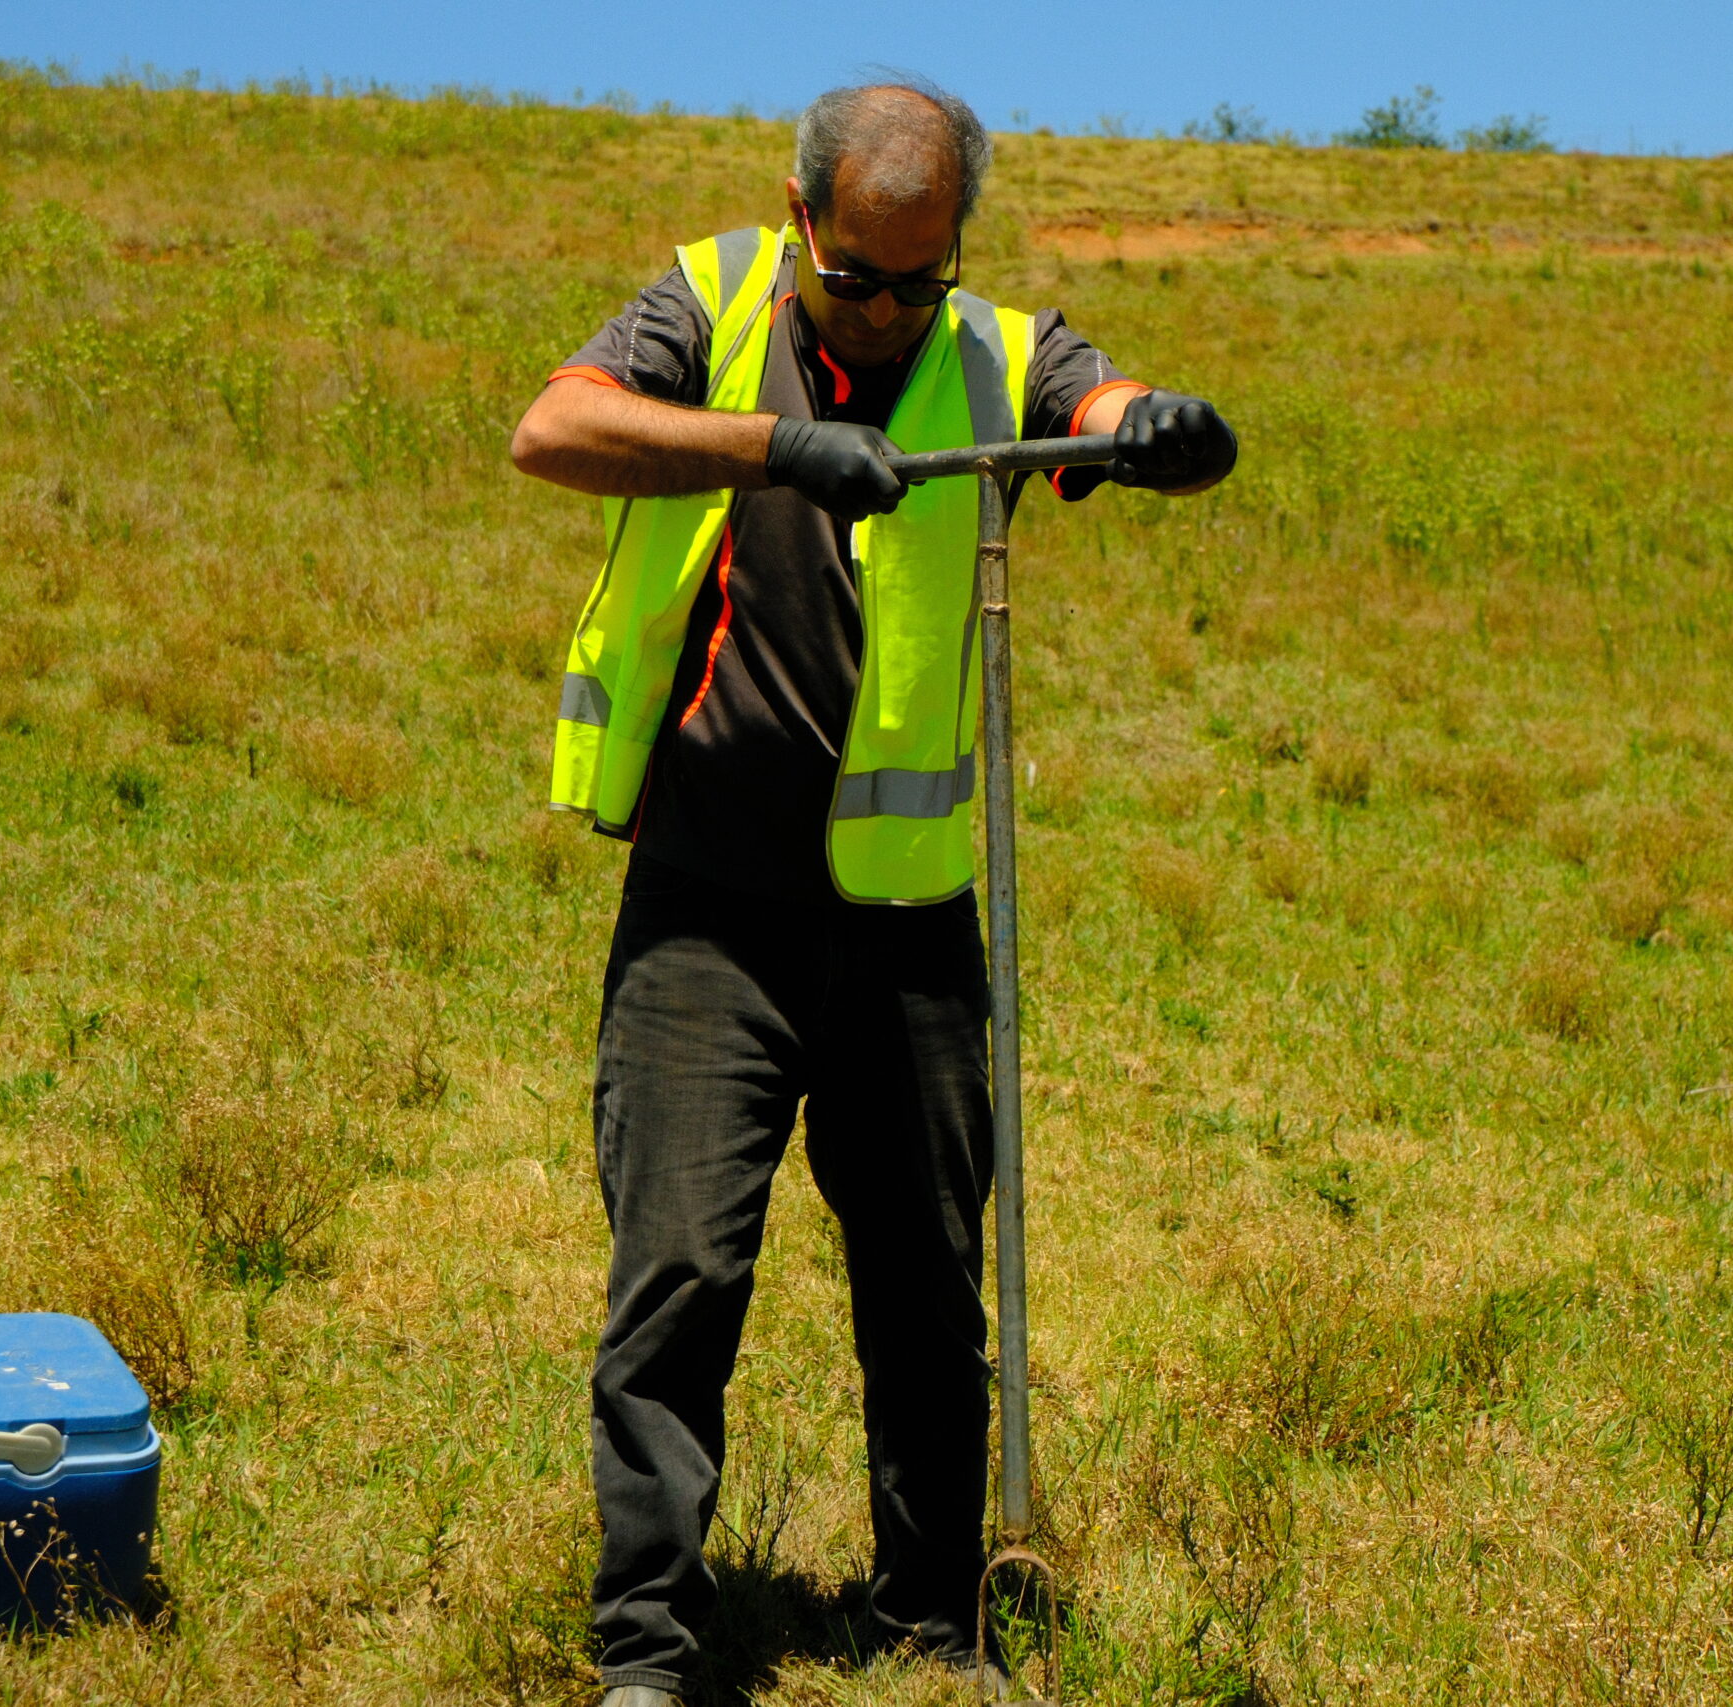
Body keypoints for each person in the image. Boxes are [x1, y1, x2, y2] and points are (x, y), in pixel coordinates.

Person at [508, 76, 1237, 1707]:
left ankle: (927, 1619)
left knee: (925, 1283)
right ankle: (650, 1644)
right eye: (861, 278)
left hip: (907, 923)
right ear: (801, 218)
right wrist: (773, 447)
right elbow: (552, 430)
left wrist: (1162, 433)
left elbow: (1099, 407)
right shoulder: (708, 302)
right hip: (710, 903)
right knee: (681, 1266)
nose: (896, 311)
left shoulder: (995, 350)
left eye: (925, 277)